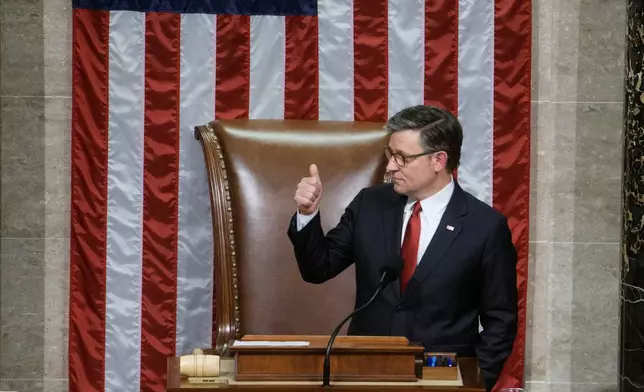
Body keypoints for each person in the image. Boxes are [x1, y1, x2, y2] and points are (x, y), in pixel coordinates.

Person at [286, 104, 518, 391]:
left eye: (402, 158)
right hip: (365, 372)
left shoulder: (484, 226)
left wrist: (475, 380)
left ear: (438, 160)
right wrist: (307, 214)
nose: (390, 166)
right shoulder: (369, 204)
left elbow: (500, 320)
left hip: (442, 378)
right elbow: (318, 268)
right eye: (390, 154)